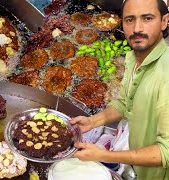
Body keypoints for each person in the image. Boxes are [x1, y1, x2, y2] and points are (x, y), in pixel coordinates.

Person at [71, 0, 169, 179]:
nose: (137, 28)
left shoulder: (165, 75)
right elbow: (125, 103)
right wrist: (93, 121)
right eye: (130, 20)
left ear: (164, 21)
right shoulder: (134, 58)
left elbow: (165, 152)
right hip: (135, 163)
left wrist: (103, 155)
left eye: (147, 18)